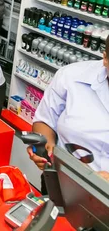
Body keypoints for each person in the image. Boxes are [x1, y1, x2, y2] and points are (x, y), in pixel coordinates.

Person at [28, 38, 109, 175]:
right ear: (105, 58)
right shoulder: (71, 76)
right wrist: (44, 149)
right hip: (62, 179)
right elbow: (44, 121)